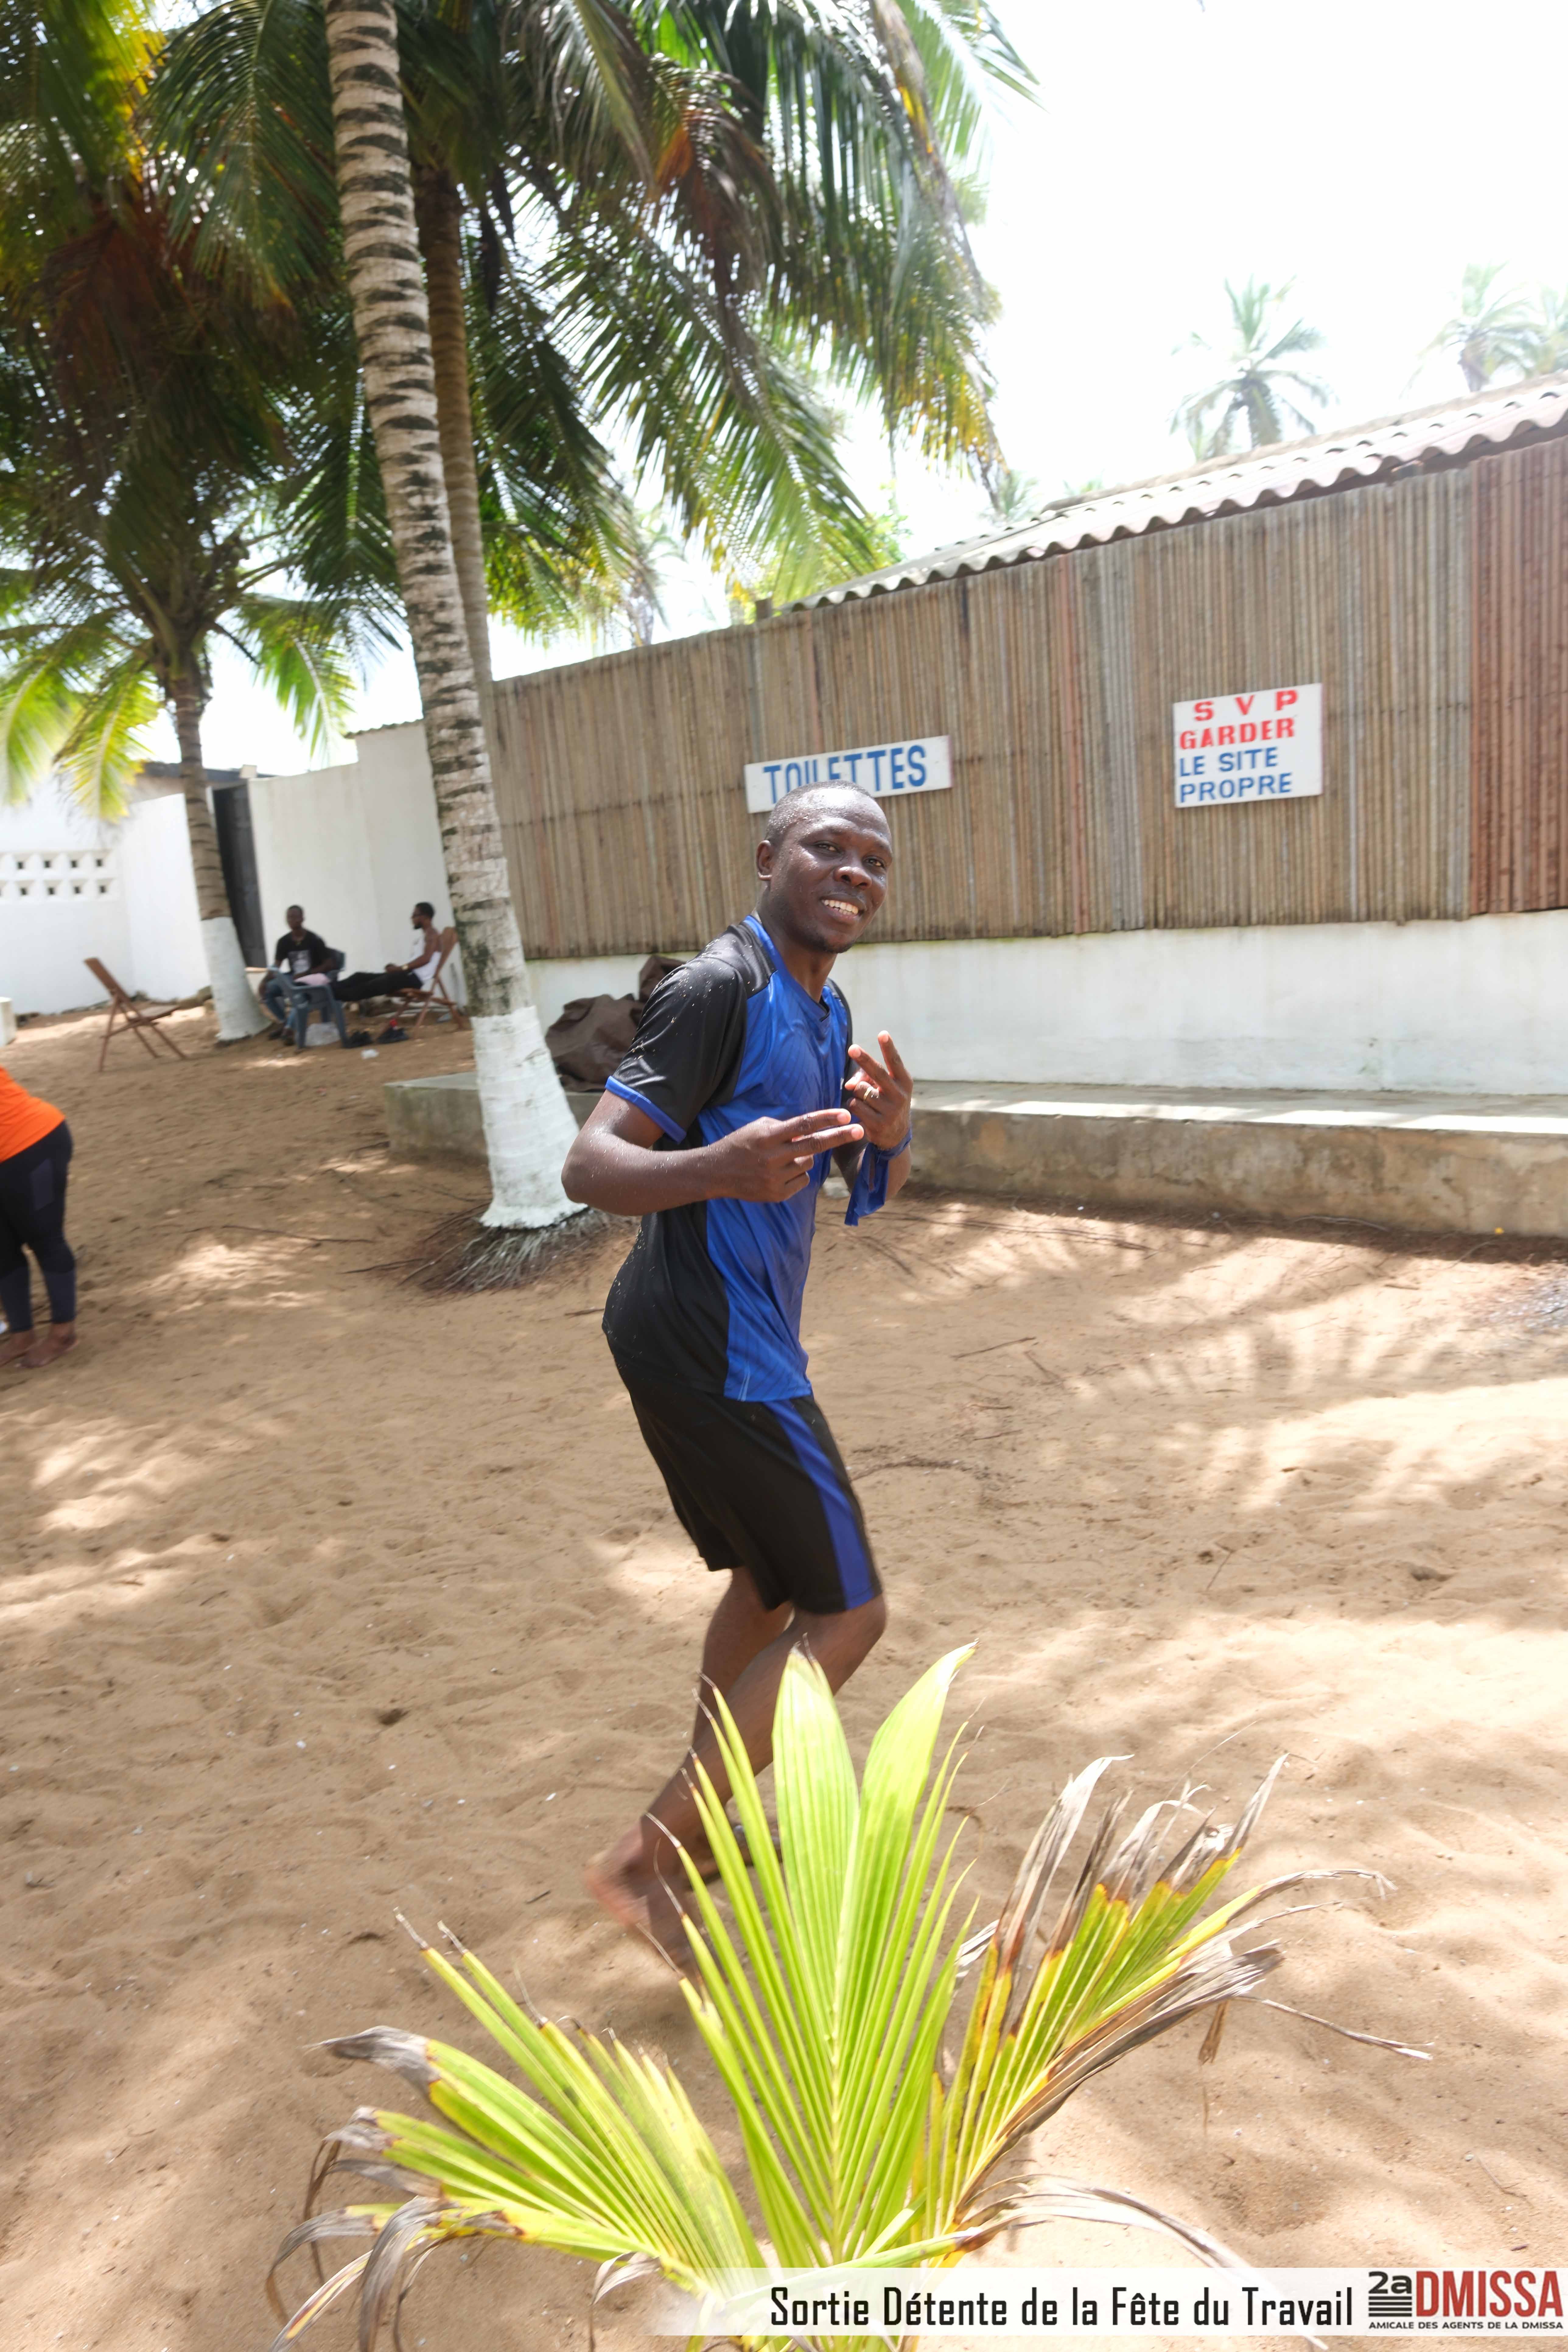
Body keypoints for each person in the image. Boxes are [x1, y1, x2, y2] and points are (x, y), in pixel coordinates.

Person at [561, 783, 914, 1963]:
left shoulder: (827, 1006)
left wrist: (892, 1131)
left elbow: (859, 1188)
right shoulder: (722, 986)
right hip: (715, 1342)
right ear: (769, 857)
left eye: (874, 860)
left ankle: (700, 1822)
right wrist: (719, 1165)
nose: (853, 871)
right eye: (828, 847)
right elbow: (590, 1166)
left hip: (705, 1332)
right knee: (849, 1612)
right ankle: (641, 1861)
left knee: (768, 1587)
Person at [0, 1061, 78, 1370]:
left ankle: (63, 1334)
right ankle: (22, 1335)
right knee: (2, 1249)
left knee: (45, 1238)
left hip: (33, 1143)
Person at [261, 907, 352, 1049]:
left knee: (298, 996)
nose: (292, 920)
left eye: (295, 917)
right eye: (289, 917)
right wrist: (264, 981)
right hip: (293, 978)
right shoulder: (284, 942)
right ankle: (285, 1023)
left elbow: (330, 964)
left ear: (302, 919)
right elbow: (277, 966)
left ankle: (289, 1029)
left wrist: (307, 974)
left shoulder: (314, 940)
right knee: (269, 991)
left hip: (311, 979)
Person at [331, 902, 443, 1006]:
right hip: (407, 976)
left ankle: (334, 994)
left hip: (414, 980)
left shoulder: (432, 934)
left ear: (425, 917)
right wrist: (398, 969)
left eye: (415, 915)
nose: (412, 918)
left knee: (370, 986)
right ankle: (331, 988)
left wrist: (400, 969)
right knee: (360, 977)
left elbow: (426, 959)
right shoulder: (427, 935)